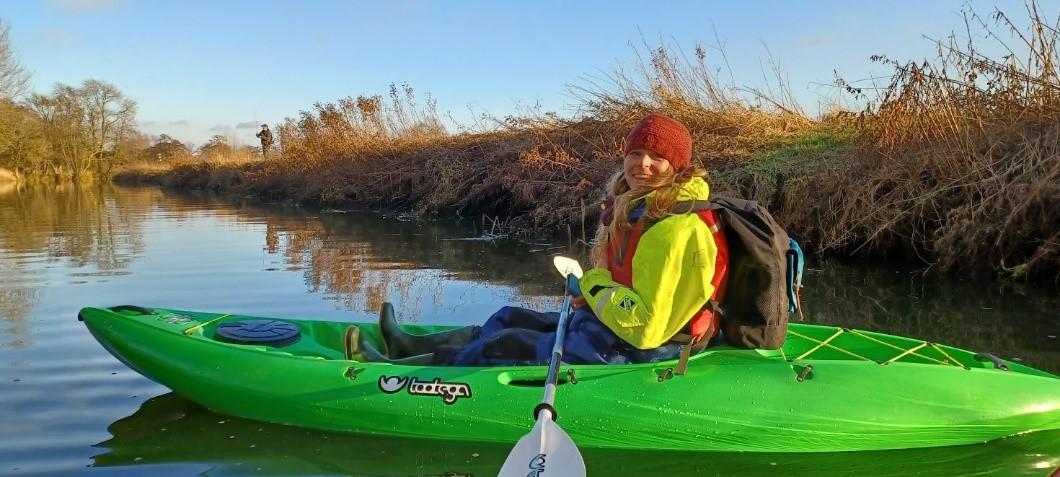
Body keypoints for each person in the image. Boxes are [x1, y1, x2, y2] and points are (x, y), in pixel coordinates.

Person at [348, 113, 729, 366]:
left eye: (656, 157)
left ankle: (405, 376)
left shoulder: (675, 228)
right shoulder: (642, 208)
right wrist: (594, 299)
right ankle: (409, 347)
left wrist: (593, 286)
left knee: (506, 343)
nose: (641, 165)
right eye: (635, 153)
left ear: (677, 166)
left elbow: (646, 329)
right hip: (621, 326)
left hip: (655, 346)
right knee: (509, 317)